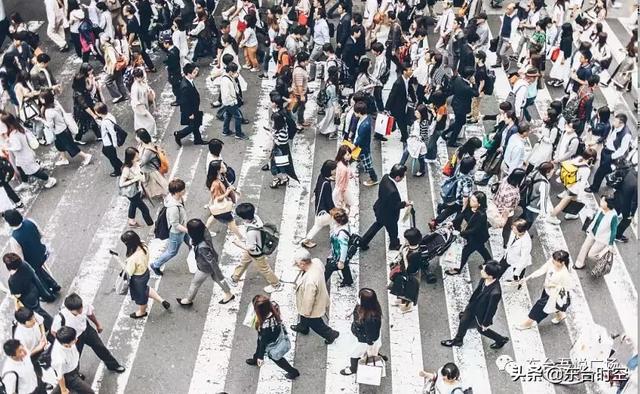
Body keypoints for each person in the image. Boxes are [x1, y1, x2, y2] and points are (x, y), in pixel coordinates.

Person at [441, 261, 509, 349]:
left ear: (490, 276)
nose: (481, 271)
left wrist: (485, 323)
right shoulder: (484, 279)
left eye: (484, 270)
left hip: (481, 313)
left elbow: (491, 309)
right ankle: (458, 340)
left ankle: (500, 339)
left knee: (482, 330)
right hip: (473, 305)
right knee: (463, 321)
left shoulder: (495, 292)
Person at [51, 293, 125, 373]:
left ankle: (113, 365)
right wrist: (65, 343)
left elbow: (90, 314)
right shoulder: (60, 318)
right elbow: (54, 331)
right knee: (75, 358)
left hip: (87, 330)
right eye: (77, 310)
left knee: (100, 347)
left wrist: (98, 324)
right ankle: (76, 375)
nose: (81, 311)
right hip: (73, 339)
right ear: (69, 309)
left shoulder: (84, 305)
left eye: (81, 308)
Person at [176, 219, 235, 306]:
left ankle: (188, 300)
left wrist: (218, 273)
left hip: (205, 268)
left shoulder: (202, 246)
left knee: (195, 283)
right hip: (209, 263)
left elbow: (211, 261)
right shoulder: (205, 232)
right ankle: (229, 294)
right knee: (217, 279)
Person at [4, 209, 60, 296]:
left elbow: (20, 258)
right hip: (42, 251)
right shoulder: (30, 221)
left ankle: (49, 293)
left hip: (32, 262)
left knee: (38, 277)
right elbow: (41, 234)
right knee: (42, 270)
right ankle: (54, 285)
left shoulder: (14, 239)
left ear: (9, 223)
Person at [290, 249, 340, 344]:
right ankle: (303, 327)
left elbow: (309, 300)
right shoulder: (316, 261)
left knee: (315, 323)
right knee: (305, 318)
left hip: (313, 306)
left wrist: (306, 312)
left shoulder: (310, 282)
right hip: (320, 295)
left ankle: (330, 334)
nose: (296, 265)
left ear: (303, 263)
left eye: (297, 263)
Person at [231, 203, 282, 293]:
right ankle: (235, 277)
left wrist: (238, 243)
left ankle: (276, 284)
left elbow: (251, 247)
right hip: (257, 247)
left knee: (265, 269)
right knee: (243, 262)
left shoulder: (251, 232)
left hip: (256, 253)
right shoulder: (256, 218)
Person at [246, 295, 300, 379]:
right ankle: (255, 359)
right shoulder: (274, 305)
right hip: (276, 333)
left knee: (276, 358)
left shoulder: (265, 326)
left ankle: (293, 371)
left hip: (271, 342)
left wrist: (261, 357)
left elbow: (263, 343)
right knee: (259, 345)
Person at [360, 164, 412, 251]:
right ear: (398, 177)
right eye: (403, 176)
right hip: (389, 215)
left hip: (380, 208)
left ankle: (363, 241)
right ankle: (394, 245)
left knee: (377, 225)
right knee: (393, 232)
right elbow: (395, 206)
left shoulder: (385, 177)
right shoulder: (393, 192)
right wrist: (404, 204)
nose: (403, 178)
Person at [119, 231, 170, 318]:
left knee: (141, 297)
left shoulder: (133, 258)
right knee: (145, 289)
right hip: (145, 273)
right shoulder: (143, 245)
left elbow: (129, 272)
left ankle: (142, 312)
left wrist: (121, 264)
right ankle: (162, 300)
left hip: (137, 279)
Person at [517, 250, 572, 328]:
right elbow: (542, 270)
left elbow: (566, 288)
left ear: (562, 262)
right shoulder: (552, 262)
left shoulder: (564, 274)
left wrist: (551, 285)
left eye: (555, 261)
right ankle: (560, 315)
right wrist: (527, 278)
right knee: (551, 306)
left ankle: (528, 323)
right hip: (546, 290)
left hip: (553, 295)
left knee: (539, 307)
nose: (552, 262)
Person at [445, 191, 492, 276]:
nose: (471, 201)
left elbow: (474, 230)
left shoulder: (481, 215)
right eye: (471, 199)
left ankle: (457, 269)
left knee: (465, 252)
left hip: (477, 237)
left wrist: (460, 233)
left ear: (479, 204)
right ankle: (489, 261)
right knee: (481, 248)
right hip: (471, 235)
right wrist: (452, 222)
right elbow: (462, 215)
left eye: (474, 201)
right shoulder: (470, 206)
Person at [339, 288, 384, 376]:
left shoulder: (371, 319)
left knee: (354, 353)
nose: (358, 299)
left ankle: (353, 369)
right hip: (361, 335)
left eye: (360, 297)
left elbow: (371, 335)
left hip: (363, 340)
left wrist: (370, 345)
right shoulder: (369, 308)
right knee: (364, 351)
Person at [4, 253, 54, 330]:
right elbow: (34, 276)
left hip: (28, 299)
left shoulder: (12, 280)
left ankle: (52, 325)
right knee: (39, 311)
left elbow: (17, 295)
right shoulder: (24, 264)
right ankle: (46, 325)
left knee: (39, 313)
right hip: (34, 289)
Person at [547, 149, 597, 225]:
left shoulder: (578, 159)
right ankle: (552, 216)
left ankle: (572, 214)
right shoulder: (586, 169)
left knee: (574, 200)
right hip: (574, 189)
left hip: (568, 182)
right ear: (591, 159)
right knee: (562, 204)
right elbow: (582, 184)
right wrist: (580, 195)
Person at [150, 179, 189, 276]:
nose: (185, 191)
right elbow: (175, 224)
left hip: (182, 227)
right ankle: (155, 265)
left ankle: (197, 256)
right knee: (172, 252)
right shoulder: (173, 208)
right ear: (177, 192)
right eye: (183, 190)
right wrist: (189, 230)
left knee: (192, 243)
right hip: (177, 232)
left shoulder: (174, 197)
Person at [586, 113, 632, 193]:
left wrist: (611, 157)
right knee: (604, 169)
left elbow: (622, 150)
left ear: (621, 123)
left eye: (615, 121)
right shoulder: (616, 127)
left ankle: (594, 188)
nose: (613, 122)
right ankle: (609, 180)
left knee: (600, 171)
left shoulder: (626, 134)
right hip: (606, 150)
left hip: (611, 154)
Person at [429, 157, 476, 230]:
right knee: (460, 215)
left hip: (454, 197)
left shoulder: (459, 169)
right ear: (470, 168)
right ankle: (455, 227)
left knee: (449, 210)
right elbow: (465, 196)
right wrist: (464, 207)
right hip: (461, 201)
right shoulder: (467, 180)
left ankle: (435, 222)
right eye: (474, 166)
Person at [574, 195, 618, 269]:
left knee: (591, 255)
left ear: (608, 204)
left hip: (602, 238)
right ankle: (579, 263)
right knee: (585, 247)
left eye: (603, 201)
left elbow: (614, 231)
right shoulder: (601, 209)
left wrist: (610, 244)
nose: (601, 201)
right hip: (593, 232)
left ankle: (601, 261)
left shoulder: (613, 216)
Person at [12, 308, 51, 390]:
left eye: (33, 317)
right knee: (37, 372)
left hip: (41, 345)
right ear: (23, 323)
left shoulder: (32, 316)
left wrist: (43, 335)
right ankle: (42, 385)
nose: (34, 320)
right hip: (31, 355)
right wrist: (39, 348)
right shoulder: (19, 336)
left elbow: (41, 323)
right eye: (31, 320)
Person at [301, 160, 337, 248]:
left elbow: (317, 189)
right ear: (330, 171)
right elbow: (328, 200)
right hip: (324, 211)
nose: (335, 170)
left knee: (318, 225)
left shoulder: (321, 176)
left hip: (319, 208)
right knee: (332, 223)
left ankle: (306, 240)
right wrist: (333, 210)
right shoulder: (326, 184)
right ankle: (307, 240)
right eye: (334, 169)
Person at [50, 327, 94, 394]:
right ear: (66, 345)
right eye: (74, 339)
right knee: (89, 392)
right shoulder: (59, 359)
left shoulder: (63, 339)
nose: (76, 339)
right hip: (69, 375)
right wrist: (64, 390)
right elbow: (60, 376)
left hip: (73, 368)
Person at [205, 160, 242, 239]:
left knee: (214, 216)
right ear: (217, 170)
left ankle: (204, 232)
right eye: (222, 167)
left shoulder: (221, 176)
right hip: (223, 205)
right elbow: (217, 198)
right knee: (231, 222)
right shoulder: (215, 184)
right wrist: (227, 193)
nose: (224, 167)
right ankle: (241, 238)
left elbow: (226, 183)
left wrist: (234, 189)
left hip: (223, 203)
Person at [442, 66, 478, 147]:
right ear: (469, 76)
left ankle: (445, 132)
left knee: (460, 122)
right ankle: (452, 141)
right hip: (461, 108)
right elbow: (476, 93)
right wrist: (474, 83)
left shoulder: (458, 79)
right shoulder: (467, 88)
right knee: (459, 124)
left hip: (456, 103)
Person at [119, 147, 154, 228]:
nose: (138, 158)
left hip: (137, 190)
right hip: (132, 192)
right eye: (136, 157)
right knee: (145, 209)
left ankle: (131, 221)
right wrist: (134, 179)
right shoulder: (126, 169)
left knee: (133, 204)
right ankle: (151, 225)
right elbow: (121, 184)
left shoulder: (136, 163)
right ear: (131, 158)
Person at [389, 228, 422, 313]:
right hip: (402, 271)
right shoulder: (407, 247)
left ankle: (406, 307)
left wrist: (404, 258)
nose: (405, 240)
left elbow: (411, 269)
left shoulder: (415, 255)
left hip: (410, 275)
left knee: (407, 292)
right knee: (400, 288)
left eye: (406, 239)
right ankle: (401, 300)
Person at [174, 63, 205, 146]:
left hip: (193, 107)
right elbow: (184, 102)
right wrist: (190, 114)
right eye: (194, 72)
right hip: (190, 110)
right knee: (192, 126)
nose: (196, 74)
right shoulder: (185, 86)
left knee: (196, 124)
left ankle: (198, 140)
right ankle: (178, 134)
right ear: (188, 73)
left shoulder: (188, 80)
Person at [384, 63, 415, 143]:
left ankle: (404, 136)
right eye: (410, 70)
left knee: (398, 121)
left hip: (402, 105)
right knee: (401, 122)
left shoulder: (408, 80)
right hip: (396, 106)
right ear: (404, 72)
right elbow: (391, 96)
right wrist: (387, 108)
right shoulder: (398, 83)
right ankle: (404, 137)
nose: (412, 71)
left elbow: (410, 90)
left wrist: (414, 100)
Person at [324, 208, 354, 287]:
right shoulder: (340, 226)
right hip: (337, 253)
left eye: (332, 217)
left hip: (338, 256)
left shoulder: (341, 235)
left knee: (328, 269)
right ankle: (348, 280)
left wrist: (341, 261)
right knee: (345, 267)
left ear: (337, 220)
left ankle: (322, 284)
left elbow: (344, 248)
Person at [520, 161, 554, 229]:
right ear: (548, 172)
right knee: (528, 222)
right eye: (552, 170)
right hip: (534, 207)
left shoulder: (535, 172)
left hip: (526, 200)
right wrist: (544, 213)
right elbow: (543, 198)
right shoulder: (545, 184)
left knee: (524, 217)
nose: (553, 172)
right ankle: (521, 233)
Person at [136, 128, 168, 200]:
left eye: (137, 136)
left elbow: (142, 162)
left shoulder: (148, 150)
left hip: (151, 171)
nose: (136, 138)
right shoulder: (141, 145)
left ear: (141, 138)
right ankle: (144, 192)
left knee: (161, 184)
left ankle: (167, 196)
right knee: (145, 183)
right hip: (145, 170)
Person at [352, 101, 378, 187]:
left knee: (368, 165)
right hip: (362, 147)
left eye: (355, 111)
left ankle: (374, 179)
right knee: (360, 159)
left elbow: (360, 139)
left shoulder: (364, 125)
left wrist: (353, 146)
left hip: (363, 148)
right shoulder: (366, 118)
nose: (354, 113)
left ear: (359, 112)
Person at [94, 103, 123, 177]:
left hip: (109, 143)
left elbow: (112, 133)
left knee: (112, 157)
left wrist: (114, 143)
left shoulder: (106, 122)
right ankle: (120, 164)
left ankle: (118, 170)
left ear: (99, 113)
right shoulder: (109, 116)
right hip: (107, 141)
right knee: (106, 152)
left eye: (96, 112)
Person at [399, 105, 428, 177]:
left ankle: (422, 170)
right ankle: (400, 166)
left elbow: (424, 136)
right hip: (413, 140)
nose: (415, 114)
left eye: (418, 113)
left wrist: (416, 136)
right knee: (406, 152)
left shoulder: (424, 123)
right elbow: (413, 129)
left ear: (422, 114)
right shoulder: (416, 120)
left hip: (420, 143)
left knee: (420, 157)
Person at [221, 62, 247, 139]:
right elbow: (226, 94)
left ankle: (225, 131)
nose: (236, 73)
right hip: (230, 102)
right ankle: (238, 134)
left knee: (228, 115)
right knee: (238, 117)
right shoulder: (226, 81)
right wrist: (232, 102)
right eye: (234, 72)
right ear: (230, 72)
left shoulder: (226, 77)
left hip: (228, 102)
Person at [502, 219, 533, 284]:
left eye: (514, 229)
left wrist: (516, 273)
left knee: (518, 274)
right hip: (509, 255)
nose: (512, 229)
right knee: (500, 268)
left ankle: (518, 281)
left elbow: (524, 259)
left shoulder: (526, 242)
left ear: (521, 232)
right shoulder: (515, 232)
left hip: (517, 261)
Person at [613, 165, 637, 243]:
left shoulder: (631, 172)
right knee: (627, 220)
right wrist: (632, 214)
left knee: (610, 213)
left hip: (618, 196)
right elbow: (634, 201)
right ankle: (617, 235)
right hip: (626, 204)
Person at [130, 69, 157, 138]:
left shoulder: (142, 82)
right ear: (135, 77)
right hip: (140, 108)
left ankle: (143, 136)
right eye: (138, 77)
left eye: (141, 77)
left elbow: (147, 89)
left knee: (141, 123)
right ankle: (149, 135)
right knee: (151, 122)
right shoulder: (135, 87)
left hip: (144, 105)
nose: (140, 78)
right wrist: (142, 110)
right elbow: (135, 100)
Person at [162, 37, 182, 106]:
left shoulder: (171, 53)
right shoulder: (175, 49)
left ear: (167, 44)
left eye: (164, 43)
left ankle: (178, 100)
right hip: (177, 70)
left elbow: (172, 64)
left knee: (176, 88)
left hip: (174, 72)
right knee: (177, 86)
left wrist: (167, 65)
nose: (163, 45)